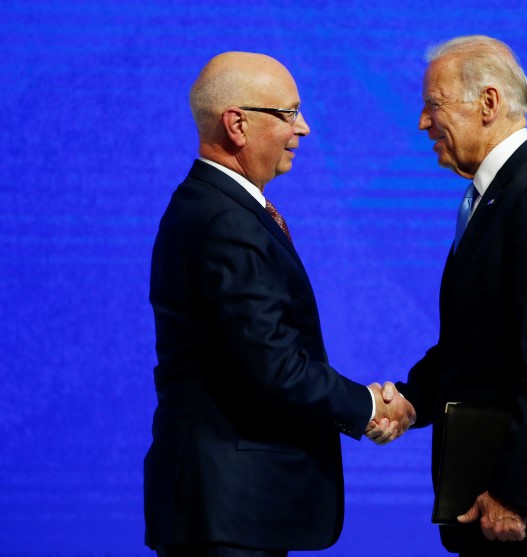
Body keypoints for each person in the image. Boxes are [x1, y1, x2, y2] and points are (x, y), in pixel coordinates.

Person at [144, 51, 415, 557]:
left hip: (234, 508)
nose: (304, 128)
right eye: (288, 114)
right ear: (237, 124)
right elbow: (274, 365)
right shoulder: (224, 221)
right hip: (228, 510)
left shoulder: (223, 209)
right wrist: (369, 405)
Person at [373, 35, 527, 556]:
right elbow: (478, 343)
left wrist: (516, 492)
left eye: (433, 106)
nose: (422, 122)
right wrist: (412, 399)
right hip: (489, 501)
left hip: (522, 515)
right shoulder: (498, 199)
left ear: (488, 103)